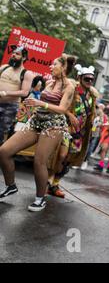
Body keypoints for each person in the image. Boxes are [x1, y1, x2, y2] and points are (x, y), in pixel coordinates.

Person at [0, 54, 76, 211]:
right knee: (4, 151)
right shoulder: (49, 82)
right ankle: (11, 185)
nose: (50, 67)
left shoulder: (69, 86)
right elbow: (37, 102)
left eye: (53, 64)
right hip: (36, 121)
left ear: (63, 67)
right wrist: (29, 108)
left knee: (39, 161)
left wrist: (42, 103)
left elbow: (62, 109)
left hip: (54, 125)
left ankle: (40, 198)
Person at [47, 64, 98, 198]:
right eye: (87, 79)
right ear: (79, 78)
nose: (90, 82)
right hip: (65, 127)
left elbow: (90, 112)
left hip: (79, 132)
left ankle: (55, 184)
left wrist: (93, 120)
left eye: (92, 79)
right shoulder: (72, 89)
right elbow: (63, 106)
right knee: (61, 155)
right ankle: (48, 180)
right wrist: (70, 115)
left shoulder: (92, 95)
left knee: (69, 159)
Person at [0, 45, 35, 144]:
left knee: (1, 132)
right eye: (13, 53)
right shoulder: (4, 67)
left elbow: (24, 92)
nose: (14, 55)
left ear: (24, 57)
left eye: (17, 54)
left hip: (9, 107)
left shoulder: (27, 73)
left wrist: (5, 93)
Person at [83, 103, 108, 169]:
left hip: (94, 132)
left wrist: (96, 123)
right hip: (86, 129)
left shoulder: (100, 112)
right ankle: (79, 159)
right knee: (83, 145)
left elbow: (101, 122)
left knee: (89, 146)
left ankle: (85, 160)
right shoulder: (89, 106)